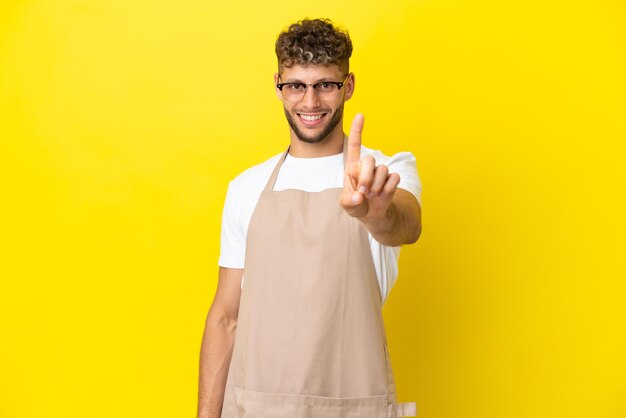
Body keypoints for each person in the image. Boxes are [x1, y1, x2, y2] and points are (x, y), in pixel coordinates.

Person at [197, 18, 422, 418]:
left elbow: (407, 225)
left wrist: (376, 213)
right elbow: (225, 317)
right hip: (256, 408)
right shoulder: (246, 188)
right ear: (278, 86)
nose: (310, 102)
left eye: (325, 85)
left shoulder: (383, 172)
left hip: (353, 407)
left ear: (348, 85)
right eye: (296, 85)